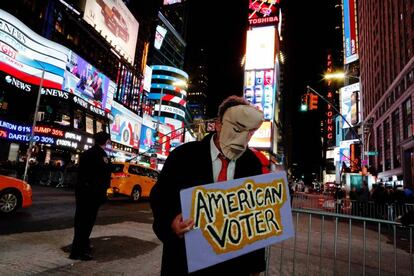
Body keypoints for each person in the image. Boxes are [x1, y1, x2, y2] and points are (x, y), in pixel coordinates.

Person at [150, 95, 266, 275]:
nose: (244, 140)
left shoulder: (252, 164)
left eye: (250, 133)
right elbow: (160, 197)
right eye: (237, 129)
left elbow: (256, 216)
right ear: (218, 124)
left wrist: (255, 266)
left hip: (233, 266)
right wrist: (171, 222)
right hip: (186, 262)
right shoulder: (183, 156)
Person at [69, 131, 112, 261]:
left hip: (82, 192)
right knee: (86, 223)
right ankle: (78, 251)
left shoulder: (87, 153)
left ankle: (82, 246)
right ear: (106, 141)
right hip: (92, 195)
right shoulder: (101, 155)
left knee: (80, 221)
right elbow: (104, 173)